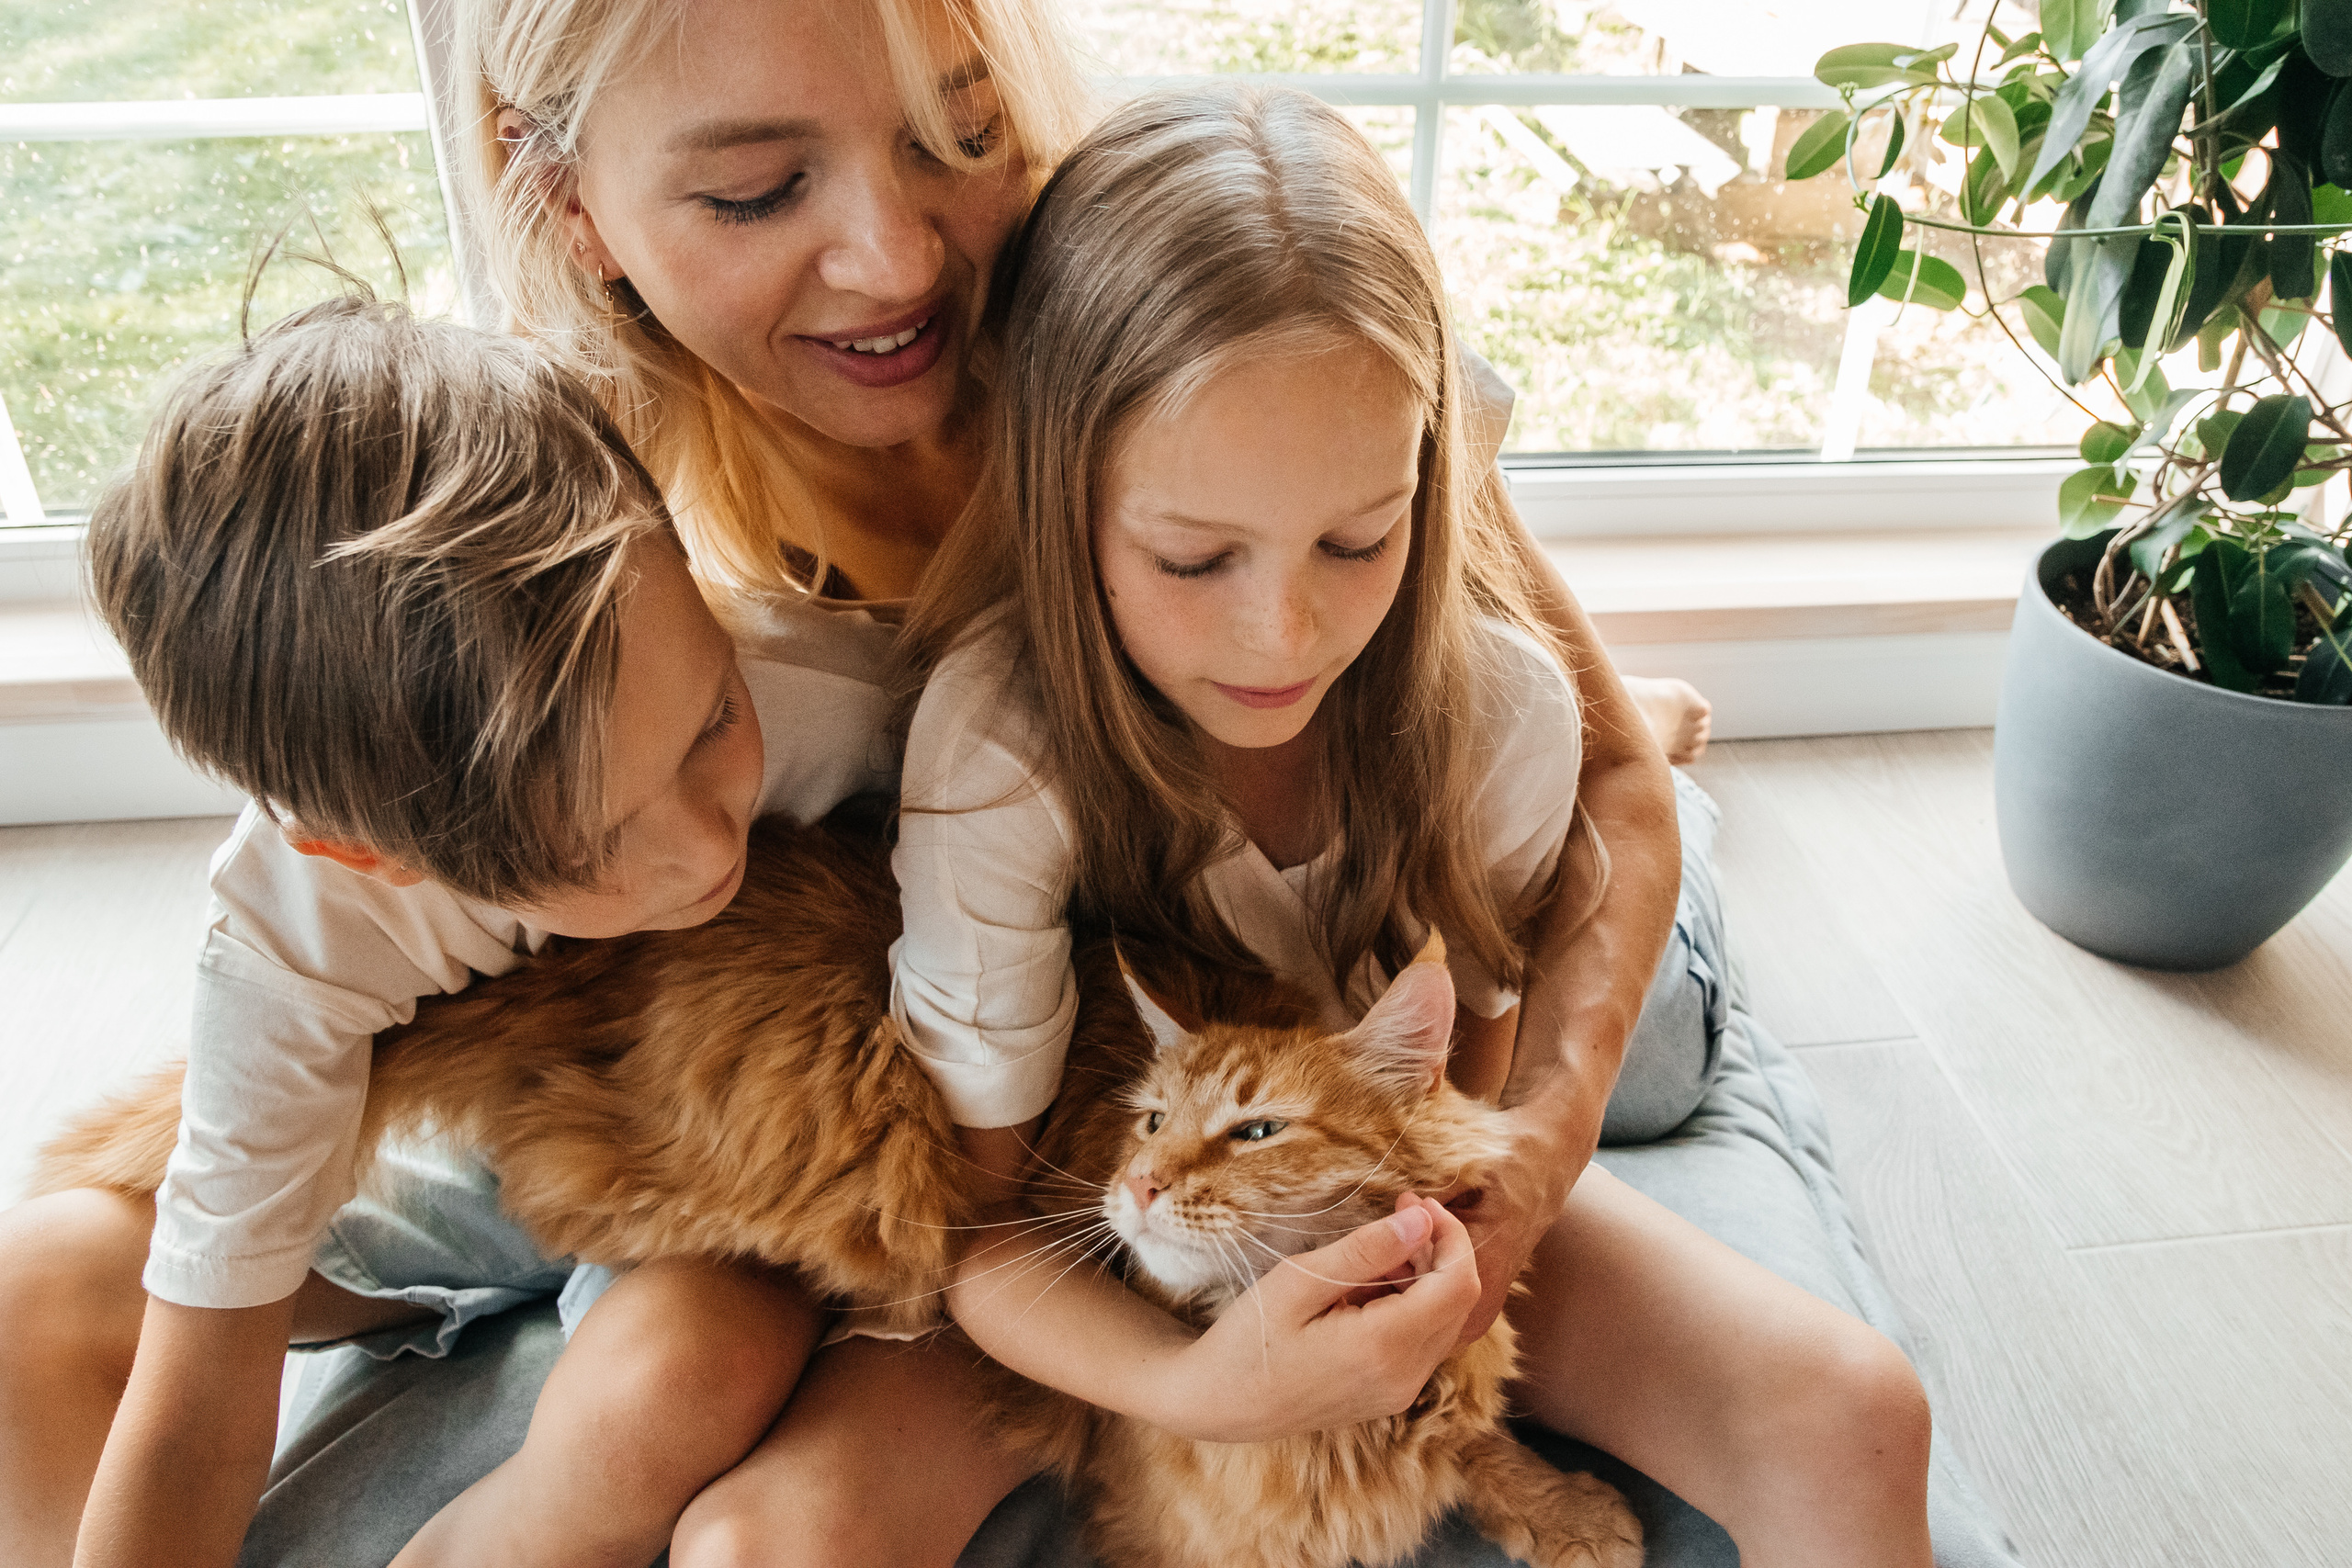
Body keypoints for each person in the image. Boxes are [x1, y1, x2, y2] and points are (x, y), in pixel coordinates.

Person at [893, 85, 1934, 1568]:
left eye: (1359, 540)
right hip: (1225, 1128)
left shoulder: (1499, 709)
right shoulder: (996, 746)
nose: (1282, 631)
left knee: (1850, 1393)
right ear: (1065, 505)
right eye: (1195, 557)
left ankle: (1659, 749)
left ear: (1435, 488)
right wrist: (1201, 1381)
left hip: (1423, 1018)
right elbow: (974, 1225)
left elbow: (1466, 1118)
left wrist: (1473, 1249)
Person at [0, 295, 900, 1568]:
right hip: (467, 1133)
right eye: (591, 849)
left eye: (708, 725)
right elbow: (213, 1348)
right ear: (366, 850)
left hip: (703, 1158)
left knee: (680, 1380)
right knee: (41, 1281)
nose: (706, 845)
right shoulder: (299, 919)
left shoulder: (833, 699)